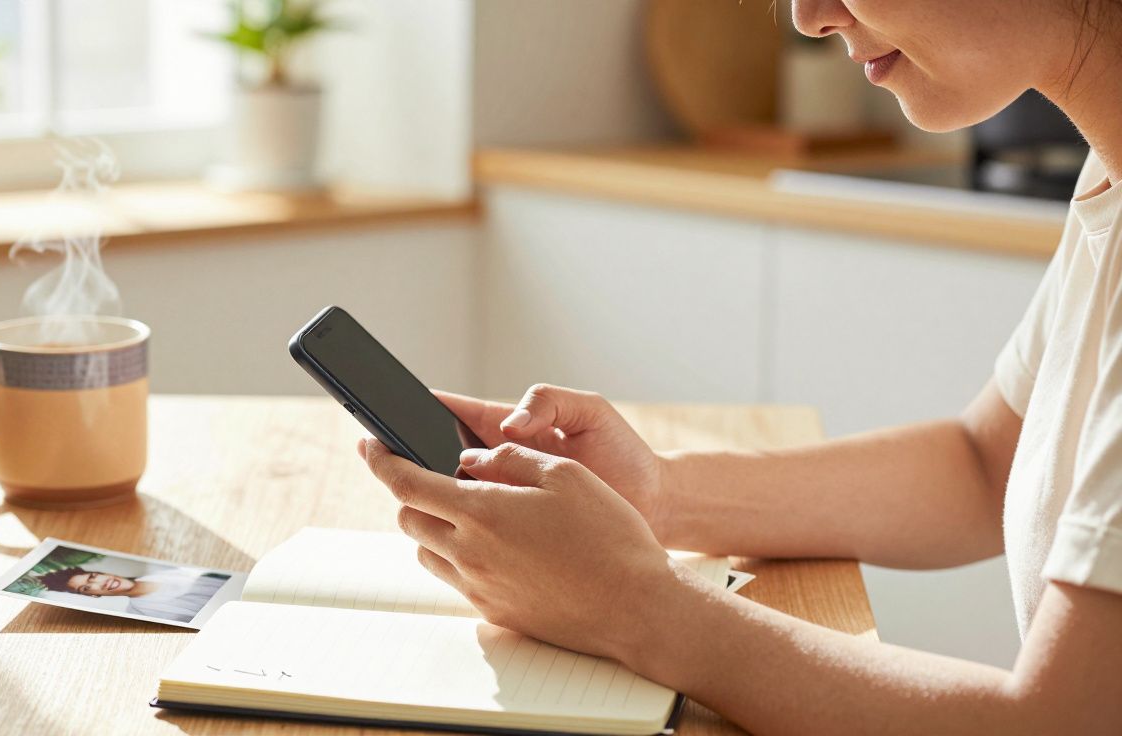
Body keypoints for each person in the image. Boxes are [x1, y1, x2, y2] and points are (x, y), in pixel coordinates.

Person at [357, 1, 1122, 732]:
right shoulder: (1108, 169)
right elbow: (981, 465)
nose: (807, 15)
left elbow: (1062, 725)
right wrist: (656, 495)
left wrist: (633, 605)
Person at [39, 565, 228, 623]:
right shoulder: (140, 615)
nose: (100, 582)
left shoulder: (168, 570)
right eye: (87, 588)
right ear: (93, 596)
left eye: (93, 576)